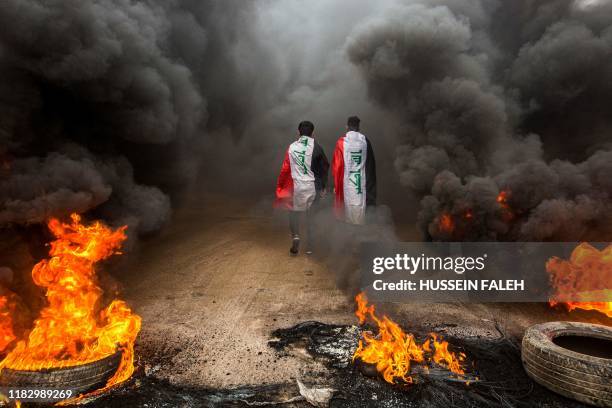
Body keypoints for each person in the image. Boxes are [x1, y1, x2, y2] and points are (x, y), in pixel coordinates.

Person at [275, 121, 329, 255]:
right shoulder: (317, 147)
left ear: (298, 132)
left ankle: (296, 236)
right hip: (313, 187)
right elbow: (324, 167)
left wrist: (281, 185)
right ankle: (310, 247)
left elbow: (285, 169)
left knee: (293, 213)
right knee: (312, 216)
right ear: (313, 133)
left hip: (296, 187)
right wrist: (323, 186)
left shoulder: (292, 147)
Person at [331, 116, 376, 225]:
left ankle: (349, 238)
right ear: (358, 127)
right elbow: (370, 166)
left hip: (347, 185)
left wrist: (336, 185)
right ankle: (361, 237)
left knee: (346, 213)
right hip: (362, 185)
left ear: (346, 127)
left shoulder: (341, 142)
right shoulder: (365, 141)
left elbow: (337, 167)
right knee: (362, 214)